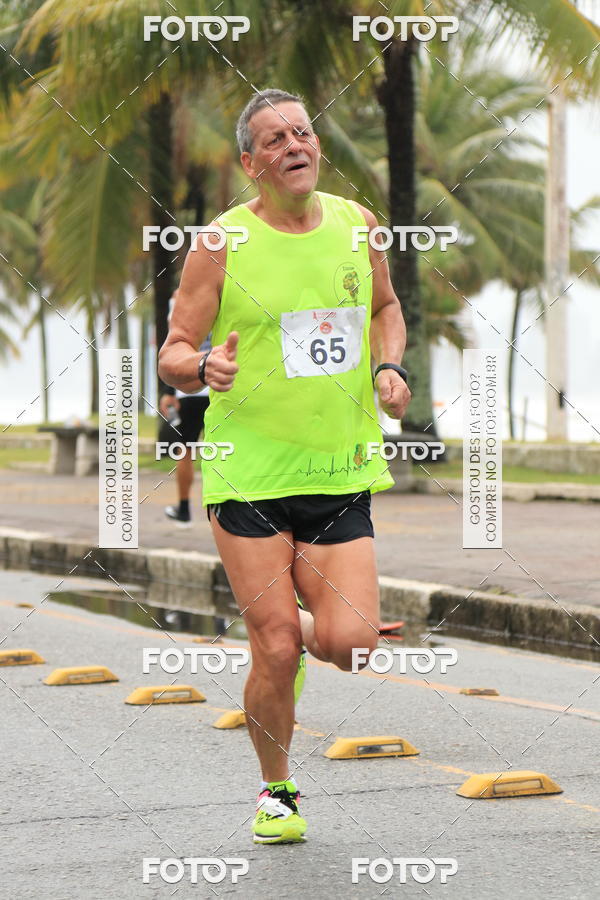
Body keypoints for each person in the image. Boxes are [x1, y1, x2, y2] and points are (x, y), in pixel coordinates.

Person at [158, 88, 411, 844]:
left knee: (354, 646)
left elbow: (384, 309)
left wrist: (389, 369)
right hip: (250, 473)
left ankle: (300, 632)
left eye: (302, 130)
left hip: (338, 472)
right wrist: (204, 367)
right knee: (271, 645)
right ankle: (277, 792)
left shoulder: (356, 224)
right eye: (273, 139)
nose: (293, 143)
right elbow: (172, 354)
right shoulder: (222, 244)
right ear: (250, 163)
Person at [158, 291, 212, 526]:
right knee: (221, 450)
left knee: (186, 451)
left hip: (190, 386)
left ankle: (183, 509)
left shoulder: (181, 296)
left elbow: (174, 343)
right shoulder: (232, 285)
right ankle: (223, 512)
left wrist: (168, 391)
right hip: (221, 384)